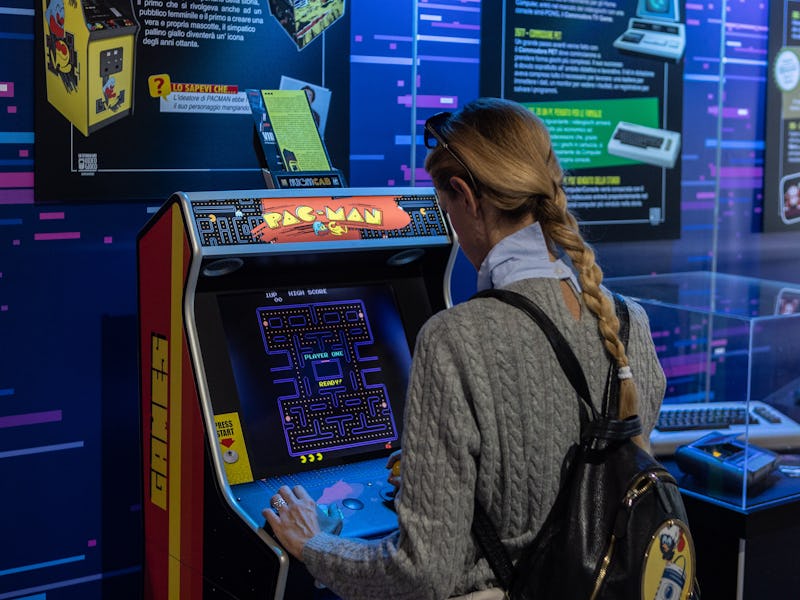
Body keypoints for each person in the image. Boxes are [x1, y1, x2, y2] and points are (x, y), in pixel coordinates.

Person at [264, 97, 667, 600]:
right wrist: (447, 482)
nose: (451, 221)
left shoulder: (454, 338)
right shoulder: (628, 322)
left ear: (464, 194)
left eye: (446, 205)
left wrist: (314, 545)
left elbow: (420, 575)